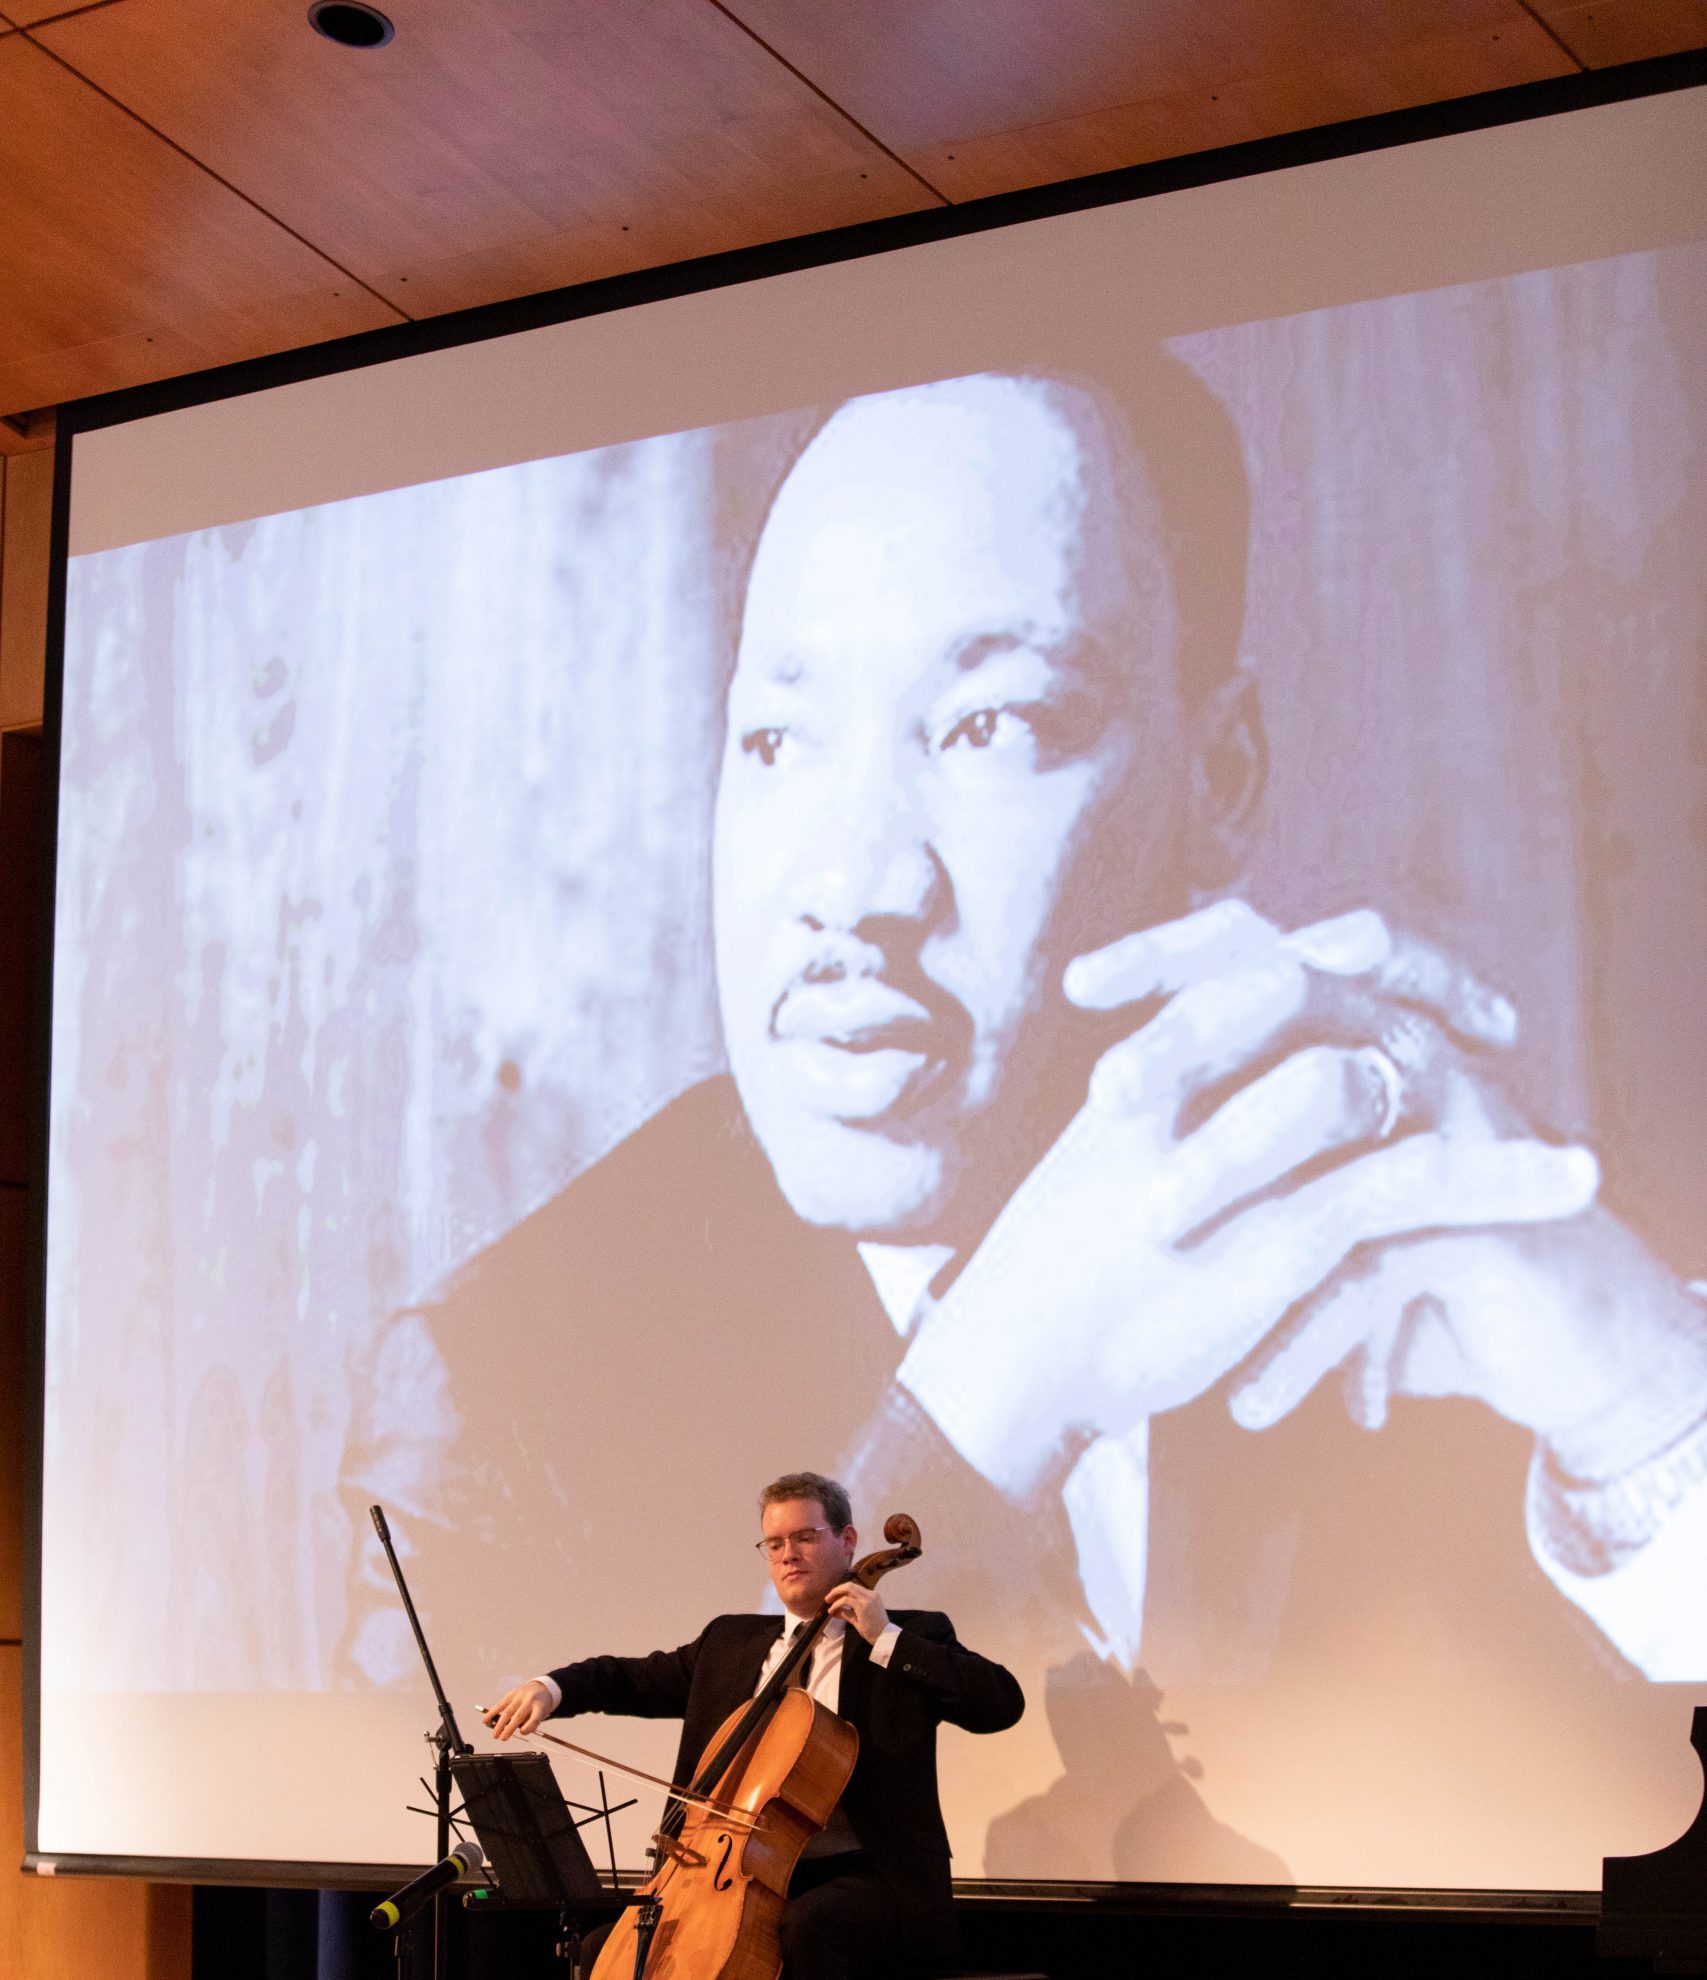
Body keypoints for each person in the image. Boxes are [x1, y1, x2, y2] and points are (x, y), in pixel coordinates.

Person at [342, 361, 1707, 1885]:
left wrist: (1648, 1405)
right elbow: (595, 1906)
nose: (852, 885)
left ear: (1221, 776)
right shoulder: (489, 1388)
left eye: (989, 724)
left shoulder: (1372, 1195)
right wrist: (979, 1404)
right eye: (777, 742)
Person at [482, 1470, 1022, 1980]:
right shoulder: (731, 1643)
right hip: (737, 1871)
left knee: (813, 1927)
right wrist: (550, 1688)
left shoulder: (911, 1635)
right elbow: (627, 1678)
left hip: (870, 1877)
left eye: (804, 1536)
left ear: (848, 1541)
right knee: (609, 1954)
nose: (788, 1554)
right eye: (773, 1543)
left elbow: (1001, 1704)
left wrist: (887, 1638)